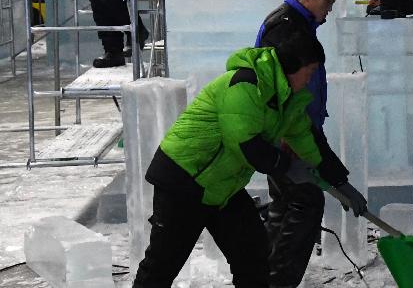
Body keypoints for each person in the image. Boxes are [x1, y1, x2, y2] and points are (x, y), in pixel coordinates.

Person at [133, 29, 367, 288]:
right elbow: (246, 144)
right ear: (293, 67)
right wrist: (287, 167)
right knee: (161, 266)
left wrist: (339, 181)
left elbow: (309, 144)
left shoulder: (286, 100)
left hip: (223, 187)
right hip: (184, 180)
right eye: (310, 72)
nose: (311, 79)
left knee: (254, 257)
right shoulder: (245, 85)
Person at [254, 0, 340, 287]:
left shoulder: (295, 22)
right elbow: (283, 88)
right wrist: (292, 139)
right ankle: (278, 281)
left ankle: (264, 276)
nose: (328, 13)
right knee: (305, 203)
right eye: (327, 5)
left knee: (286, 203)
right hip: (288, 133)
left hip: (292, 130)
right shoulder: (288, 27)